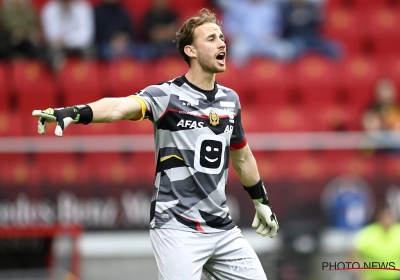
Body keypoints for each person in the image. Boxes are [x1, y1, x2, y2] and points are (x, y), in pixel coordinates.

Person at [32, 9, 279, 279]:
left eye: (221, 37)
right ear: (191, 50)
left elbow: (242, 157)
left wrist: (261, 201)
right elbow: (118, 107)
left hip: (221, 226)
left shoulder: (230, 100)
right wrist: (76, 112)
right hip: (176, 225)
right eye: (211, 39)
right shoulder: (166, 95)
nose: (222, 43)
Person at [218, 0, 296, 66]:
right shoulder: (238, 6)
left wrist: (272, 35)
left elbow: (277, 27)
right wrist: (237, 35)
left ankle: (278, 79)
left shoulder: (271, 8)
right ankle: (239, 81)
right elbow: (230, 26)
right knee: (238, 51)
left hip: (266, 41)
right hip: (245, 40)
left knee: (285, 51)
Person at [41, 0, 94, 70]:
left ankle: (86, 77)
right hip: (58, 47)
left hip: (78, 46)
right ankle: (58, 76)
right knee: (49, 51)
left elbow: (86, 36)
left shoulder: (84, 7)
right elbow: (51, 36)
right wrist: (60, 41)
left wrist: (66, 39)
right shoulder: (49, 9)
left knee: (90, 49)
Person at [352, 205, 400, 280]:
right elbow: (353, 255)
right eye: (385, 217)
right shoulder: (368, 233)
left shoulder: (398, 231)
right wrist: (360, 274)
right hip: (372, 277)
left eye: (389, 217)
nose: (387, 220)